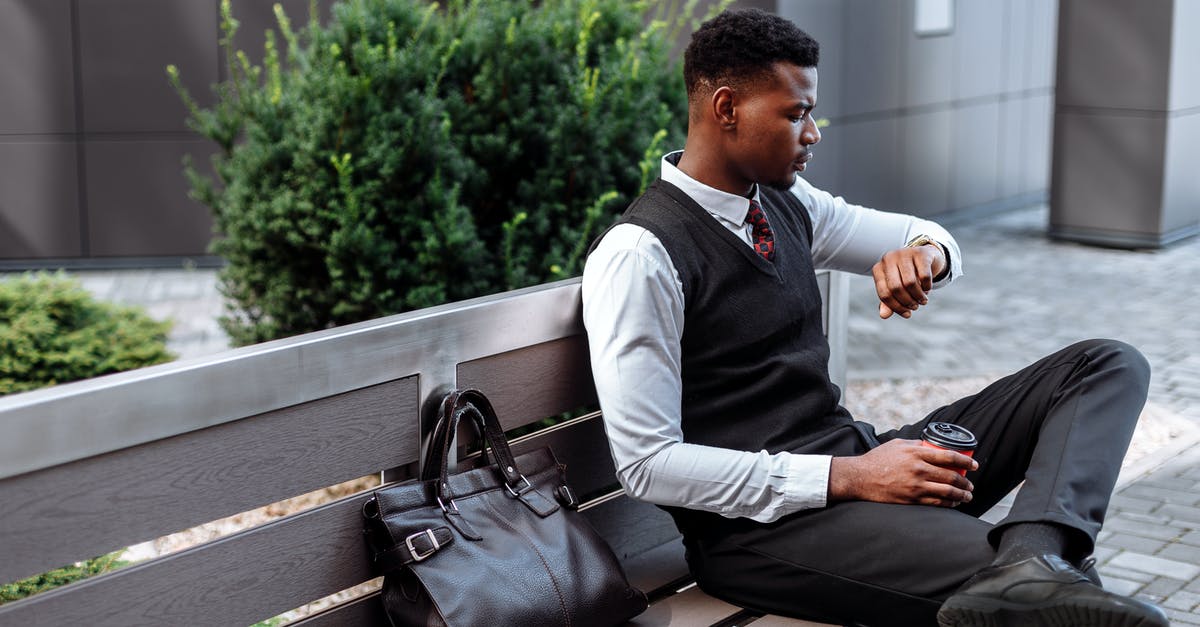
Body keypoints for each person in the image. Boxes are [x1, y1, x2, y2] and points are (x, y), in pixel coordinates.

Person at [581, 8, 1168, 627]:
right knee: (1028, 600)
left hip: (858, 466)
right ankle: (1027, 575)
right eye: (795, 113)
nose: (813, 133)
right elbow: (649, 466)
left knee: (1104, 364)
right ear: (726, 109)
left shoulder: (785, 202)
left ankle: (1034, 555)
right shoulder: (639, 255)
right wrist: (852, 476)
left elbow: (922, 234)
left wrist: (927, 257)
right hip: (759, 535)